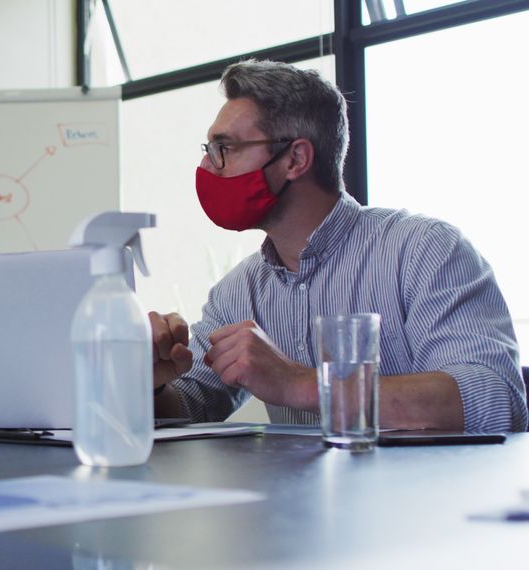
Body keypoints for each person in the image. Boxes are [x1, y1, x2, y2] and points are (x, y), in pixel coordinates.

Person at [150, 59, 526, 433]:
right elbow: (189, 406)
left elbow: (496, 399)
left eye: (225, 148)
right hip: (298, 493)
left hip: (424, 492)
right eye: (209, 148)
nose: (208, 165)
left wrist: (297, 382)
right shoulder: (237, 292)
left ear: (295, 159)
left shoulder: (424, 251)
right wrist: (153, 383)